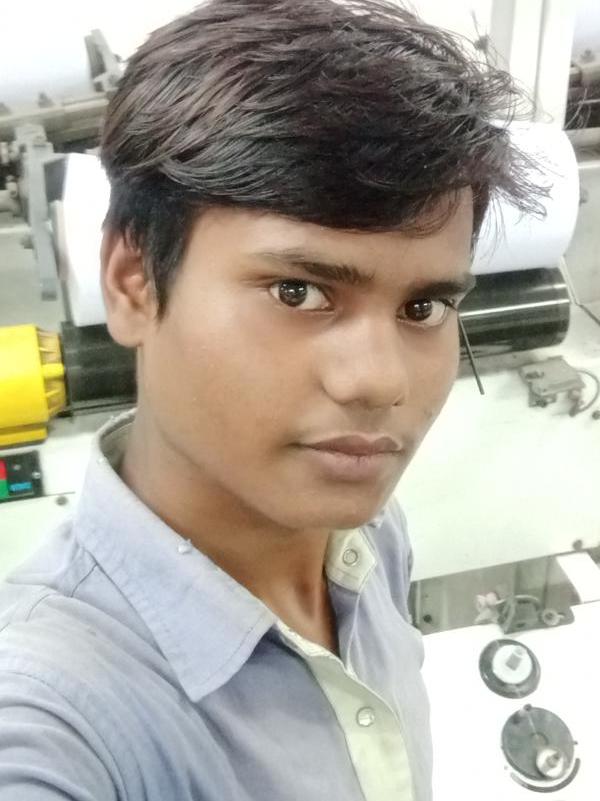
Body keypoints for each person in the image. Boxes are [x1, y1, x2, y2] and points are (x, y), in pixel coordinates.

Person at [0, 1, 542, 799]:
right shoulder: (52, 715)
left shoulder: (370, 539)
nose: (380, 382)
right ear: (132, 280)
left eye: (423, 306)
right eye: (298, 292)